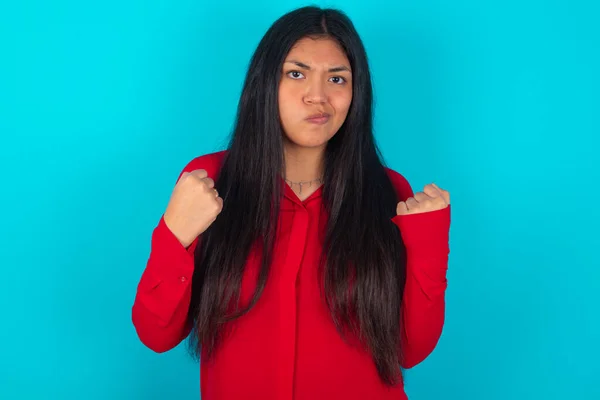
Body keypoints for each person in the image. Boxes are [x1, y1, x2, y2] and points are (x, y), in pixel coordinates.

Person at [131, 5, 451, 400]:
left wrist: (430, 247)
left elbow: (410, 350)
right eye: (296, 73)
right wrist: (173, 236)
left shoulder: (389, 192)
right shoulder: (210, 181)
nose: (318, 96)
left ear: (356, 93)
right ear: (265, 83)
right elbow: (156, 334)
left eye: (337, 78)